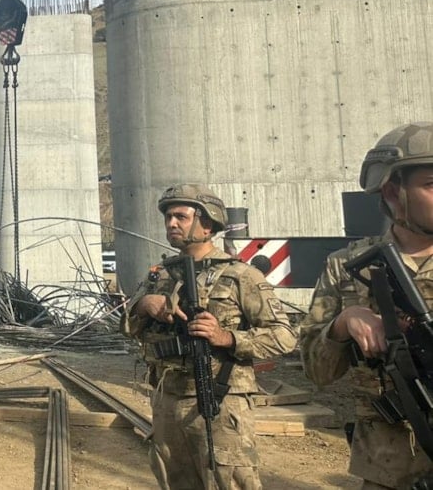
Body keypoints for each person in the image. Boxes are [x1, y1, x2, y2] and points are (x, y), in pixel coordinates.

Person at [124, 184, 296, 490]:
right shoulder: (160, 275)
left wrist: (227, 337)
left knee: (230, 481)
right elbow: (126, 326)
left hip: (220, 400)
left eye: (180, 217)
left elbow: (284, 336)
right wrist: (143, 306)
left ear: (207, 224)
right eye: (168, 217)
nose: (171, 223)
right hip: (167, 398)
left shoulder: (240, 275)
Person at [302, 122, 433, 488]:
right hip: (386, 469)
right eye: (431, 184)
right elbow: (315, 371)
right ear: (392, 191)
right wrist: (343, 323)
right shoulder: (347, 266)